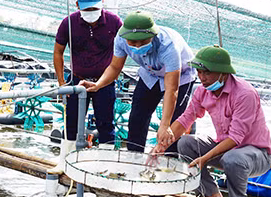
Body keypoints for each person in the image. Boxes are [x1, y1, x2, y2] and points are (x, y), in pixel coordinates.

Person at [152, 46, 271, 197]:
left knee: (233, 158)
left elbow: (235, 138)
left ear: (223, 73)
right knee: (186, 143)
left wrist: (205, 158)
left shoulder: (244, 94)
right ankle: (209, 195)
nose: (202, 78)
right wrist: (161, 146)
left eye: (207, 73)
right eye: (199, 72)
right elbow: (186, 119)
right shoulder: (202, 90)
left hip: (255, 154)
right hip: (226, 149)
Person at [81, 11, 197, 153]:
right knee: (137, 116)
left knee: (173, 125)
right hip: (150, 74)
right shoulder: (121, 39)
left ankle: (169, 164)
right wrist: (98, 84)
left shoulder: (168, 46)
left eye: (143, 41)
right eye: (133, 42)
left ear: (152, 35)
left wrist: (165, 125)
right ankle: (135, 157)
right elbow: (115, 67)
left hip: (181, 77)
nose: (137, 46)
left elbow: (171, 89)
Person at [49, 0, 123, 173]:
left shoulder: (114, 22)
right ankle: (65, 162)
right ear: (77, 5)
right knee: (71, 120)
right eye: (86, 9)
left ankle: (106, 166)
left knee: (106, 123)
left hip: (104, 82)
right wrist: (61, 83)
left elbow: (124, 51)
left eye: (94, 9)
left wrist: (104, 80)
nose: (91, 13)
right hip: (77, 80)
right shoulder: (69, 22)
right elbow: (58, 52)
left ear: (102, 4)